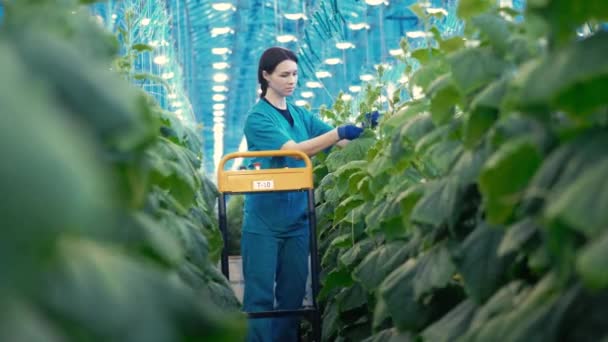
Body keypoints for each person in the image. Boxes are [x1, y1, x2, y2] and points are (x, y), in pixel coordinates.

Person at [241, 46, 375, 342]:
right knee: (259, 299)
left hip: (298, 217)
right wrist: (339, 131)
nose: (291, 80)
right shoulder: (258, 118)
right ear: (266, 76)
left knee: (291, 297)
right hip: (264, 219)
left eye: (295, 74)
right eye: (284, 75)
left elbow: (340, 144)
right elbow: (295, 151)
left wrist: (365, 130)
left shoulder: (301, 115)